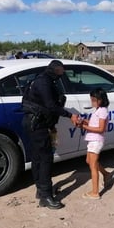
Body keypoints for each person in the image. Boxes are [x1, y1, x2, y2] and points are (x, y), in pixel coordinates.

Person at [22, 60, 79, 209]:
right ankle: (46, 196)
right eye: (60, 72)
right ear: (54, 70)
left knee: (38, 158)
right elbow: (51, 105)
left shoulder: (42, 80)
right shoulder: (44, 83)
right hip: (38, 124)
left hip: (37, 123)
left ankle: (40, 190)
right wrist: (69, 115)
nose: (61, 75)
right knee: (45, 159)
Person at [78, 88, 112, 200]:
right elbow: (94, 123)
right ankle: (106, 174)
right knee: (90, 161)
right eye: (91, 99)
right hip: (92, 140)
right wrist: (84, 121)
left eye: (94, 100)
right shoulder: (98, 110)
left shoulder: (102, 111)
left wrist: (84, 126)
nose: (92, 102)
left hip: (96, 140)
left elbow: (101, 128)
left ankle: (95, 192)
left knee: (93, 166)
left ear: (101, 100)